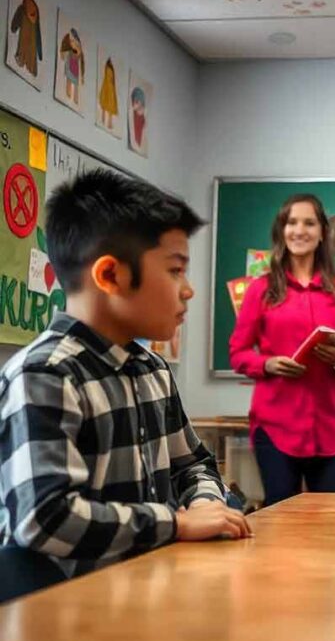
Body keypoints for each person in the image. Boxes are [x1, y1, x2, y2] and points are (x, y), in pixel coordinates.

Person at [0, 169, 250, 583]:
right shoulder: (45, 374)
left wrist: (207, 505)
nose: (188, 290)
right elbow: (45, 517)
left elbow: (193, 465)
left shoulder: (151, 369)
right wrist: (176, 524)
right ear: (111, 275)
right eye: (174, 270)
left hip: (141, 593)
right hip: (59, 614)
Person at [229, 194, 335, 506]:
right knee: (280, 522)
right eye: (292, 222)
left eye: (309, 223)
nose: (299, 230)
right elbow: (237, 353)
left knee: (329, 522)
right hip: (276, 425)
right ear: (281, 230)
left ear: (322, 233)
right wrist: (268, 364)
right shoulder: (260, 289)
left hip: (329, 426)